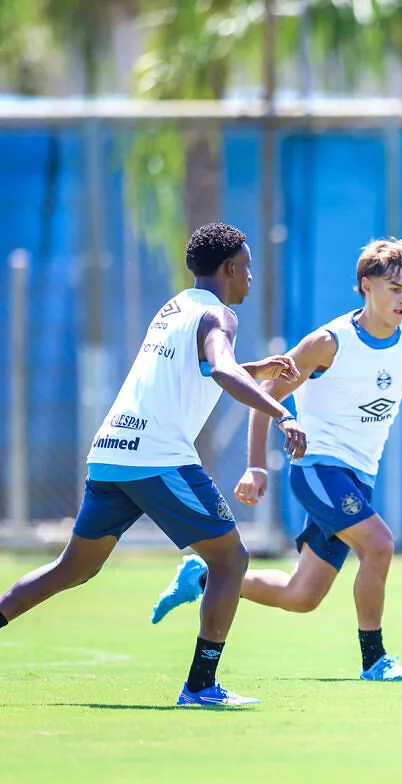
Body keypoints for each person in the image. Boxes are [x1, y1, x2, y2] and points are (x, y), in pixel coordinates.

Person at [150, 238, 402, 681]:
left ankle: (200, 577)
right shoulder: (328, 343)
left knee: (302, 595)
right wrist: (256, 466)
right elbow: (265, 395)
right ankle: (375, 660)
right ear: (366, 286)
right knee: (380, 544)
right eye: (394, 289)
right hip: (318, 470)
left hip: (358, 477)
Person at [0, 223, 307, 706]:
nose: (250, 276)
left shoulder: (176, 308)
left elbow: (205, 371)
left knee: (73, 569)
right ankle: (201, 686)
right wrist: (282, 411)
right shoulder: (221, 318)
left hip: (111, 454)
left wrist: (257, 371)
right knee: (231, 561)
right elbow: (221, 370)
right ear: (229, 269)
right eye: (247, 267)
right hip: (157, 457)